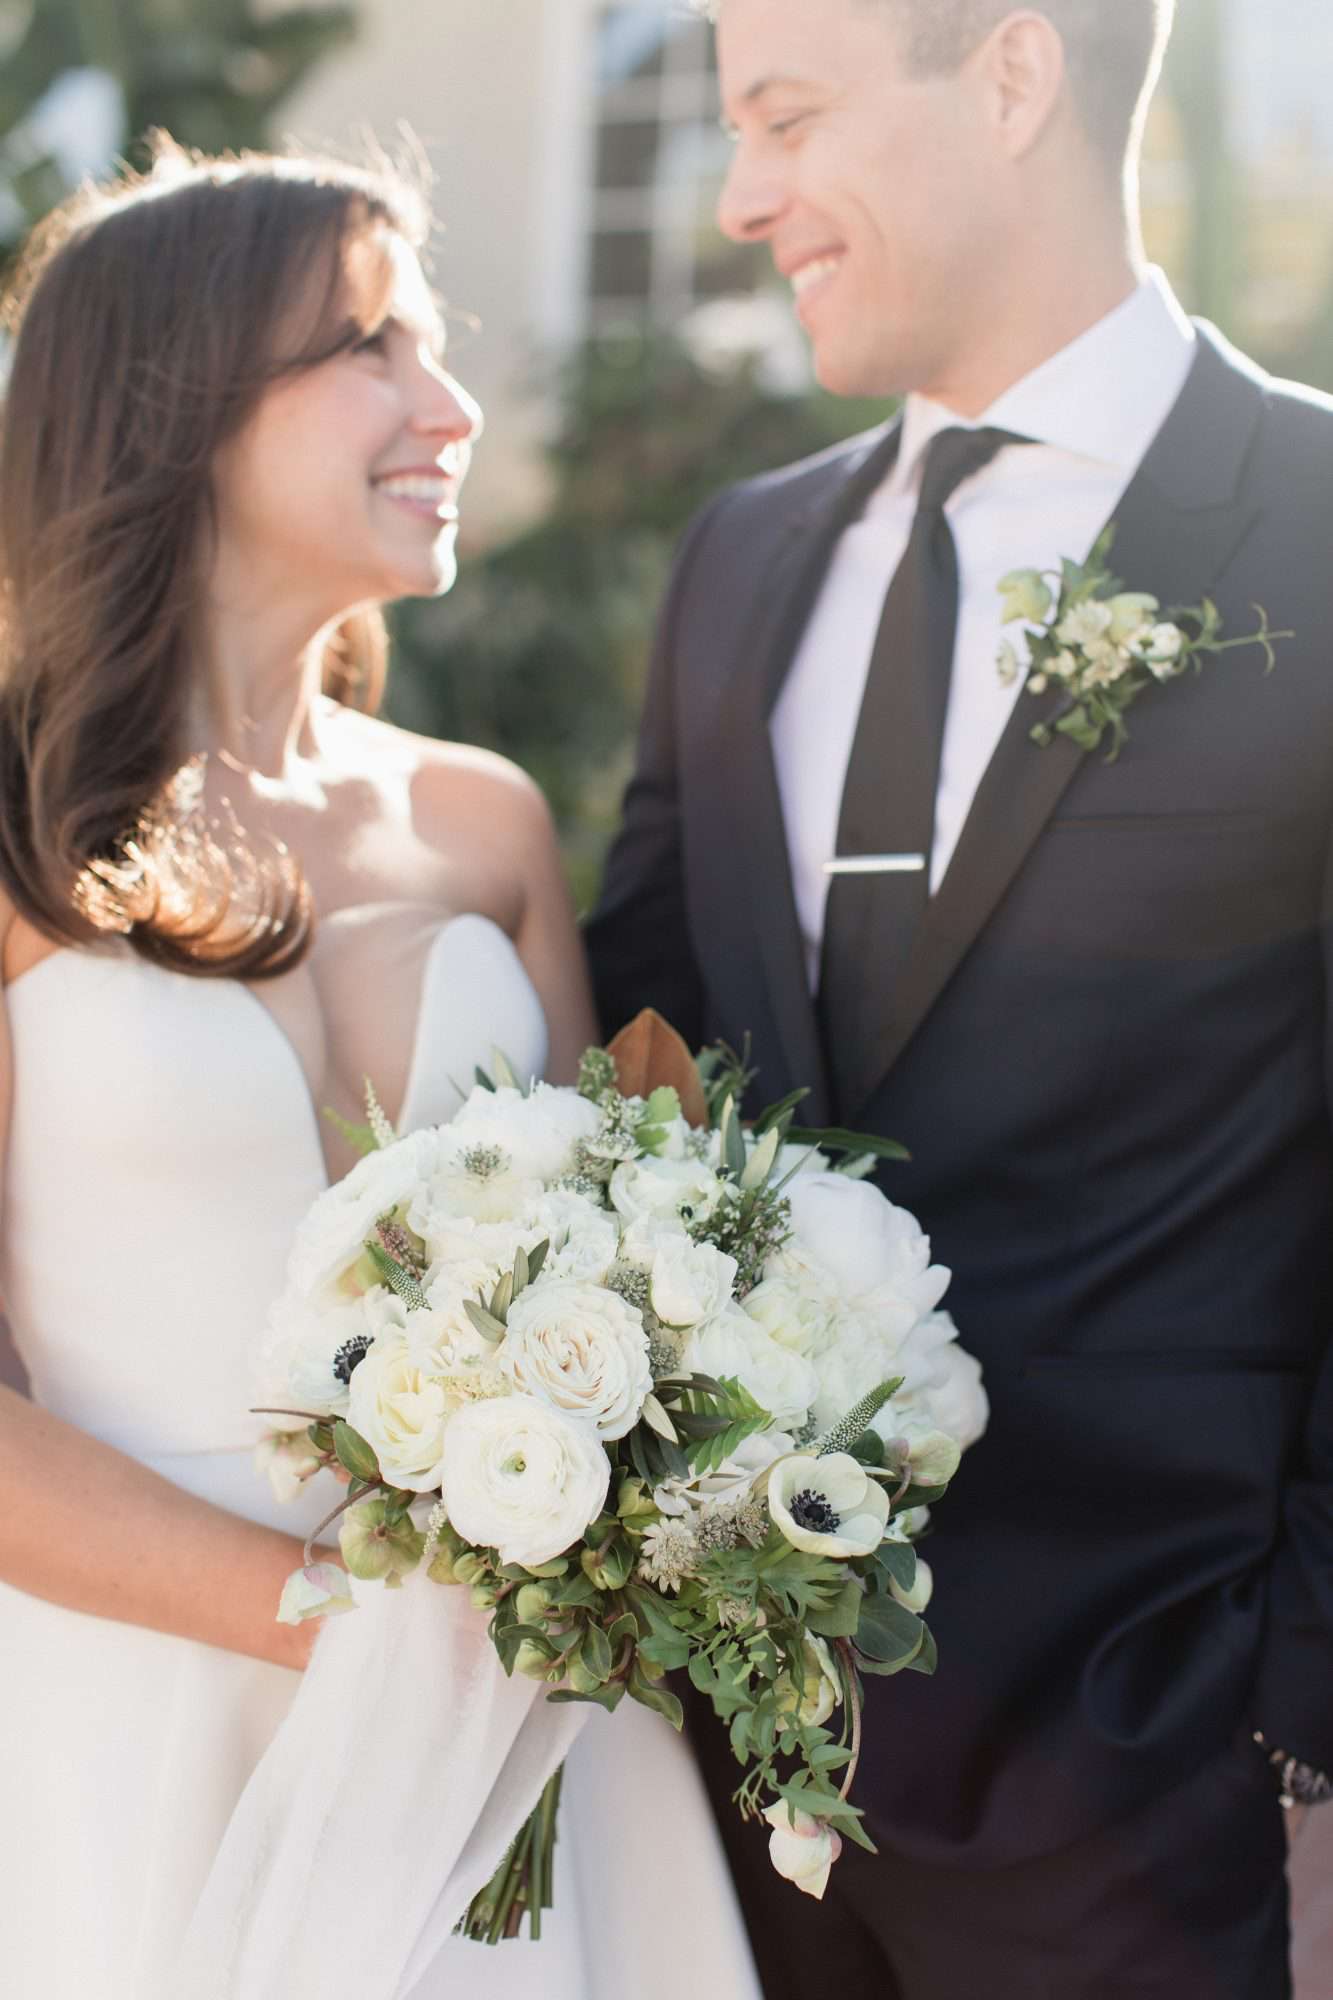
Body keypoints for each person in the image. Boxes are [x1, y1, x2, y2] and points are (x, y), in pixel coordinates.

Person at [586, 3, 1333, 1995]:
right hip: (748, 1807)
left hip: (1178, 1802)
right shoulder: (738, 570)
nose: (743, 196)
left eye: (787, 116)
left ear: (1010, 79)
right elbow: (637, 1082)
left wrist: (1304, 1748)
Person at [0, 139, 758, 1999]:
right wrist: (351, 1643)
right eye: (375, 347)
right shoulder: (9, 830)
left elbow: (631, 1300)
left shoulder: (485, 823)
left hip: (527, 1753)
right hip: (141, 1727)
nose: (453, 403)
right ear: (175, 405)